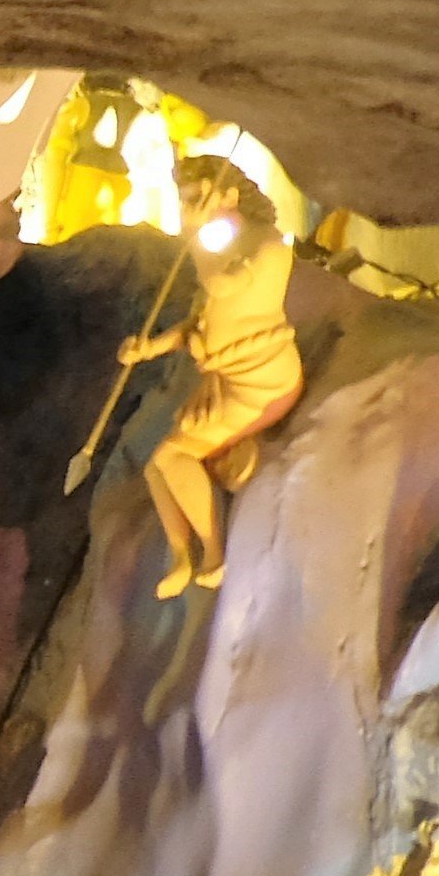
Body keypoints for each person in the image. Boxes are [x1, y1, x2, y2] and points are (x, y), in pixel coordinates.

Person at [114, 152, 304, 599]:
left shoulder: (266, 246)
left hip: (262, 382)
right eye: (184, 201)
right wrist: (150, 349)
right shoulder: (221, 247)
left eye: (197, 197)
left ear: (230, 194)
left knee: (173, 455)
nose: (189, 210)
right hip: (229, 379)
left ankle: (215, 551)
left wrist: (199, 237)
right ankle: (181, 554)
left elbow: (224, 288)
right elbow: (199, 326)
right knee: (156, 464)